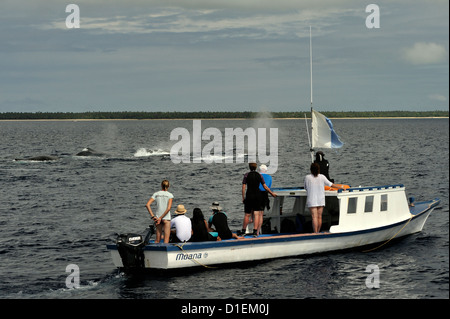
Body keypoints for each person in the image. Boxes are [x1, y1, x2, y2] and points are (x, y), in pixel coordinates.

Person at [304, 163, 344, 233]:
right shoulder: (322, 177)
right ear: (318, 170)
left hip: (312, 200)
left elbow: (305, 187)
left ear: (311, 170)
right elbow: (331, 184)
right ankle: (318, 232)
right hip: (320, 200)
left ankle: (315, 232)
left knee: (314, 217)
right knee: (319, 217)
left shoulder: (307, 177)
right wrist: (340, 187)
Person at [241, 163, 277, 237]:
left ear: (249, 167)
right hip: (257, 196)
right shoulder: (259, 175)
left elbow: (243, 187)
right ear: (256, 167)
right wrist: (271, 193)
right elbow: (265, 186)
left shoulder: (246, 175)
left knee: (247, 215)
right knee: (257, 214)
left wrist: (243, 197)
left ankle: (243, 231)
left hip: (249, 195)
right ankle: (255, 232)